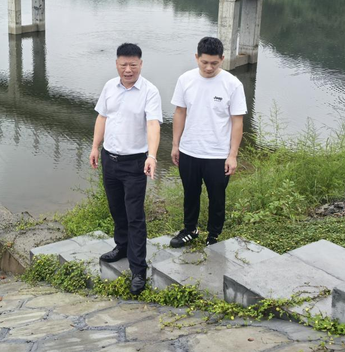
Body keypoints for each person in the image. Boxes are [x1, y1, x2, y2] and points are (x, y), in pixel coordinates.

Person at [90, 43, 162, 295]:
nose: (128, 70)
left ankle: (138, 269)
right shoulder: (110, 86)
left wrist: (151, 155)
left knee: (135, 216)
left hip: (134, 163)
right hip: (110, 160)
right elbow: (102, 117)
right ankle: (121, 246)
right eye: (123, 65)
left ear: (141, 64)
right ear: (117, 64)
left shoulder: (150, 91)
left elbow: (153, 124)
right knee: (116, 209)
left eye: (133, 65)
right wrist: (94, 147)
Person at [169, 36, 246, 248]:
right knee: (190, 194)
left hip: (218, 154)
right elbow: (179, 112)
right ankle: (190, 229)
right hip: (189, 150)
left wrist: (232, 155)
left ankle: (214, 235)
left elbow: (237, 122)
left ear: (222, 59)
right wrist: (176, 145)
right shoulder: (185, 80)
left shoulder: (232, 84)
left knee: (217, 198)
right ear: (196, 58)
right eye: (204, 62)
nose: (209, 67)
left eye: (214, 63)